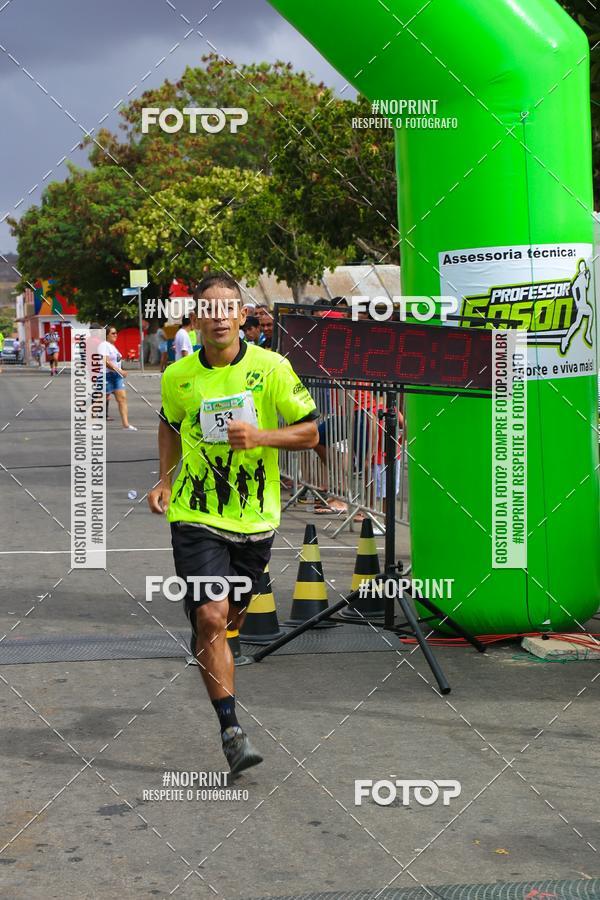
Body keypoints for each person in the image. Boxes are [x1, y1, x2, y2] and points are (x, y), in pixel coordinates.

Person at [148, 271, 319, 776]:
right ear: (197, 318)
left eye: (229, 308)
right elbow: (168, 422)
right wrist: (163, 479)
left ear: (242, 317)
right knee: (210, 617)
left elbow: (311, 433)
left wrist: (262, 437)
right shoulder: (178, 376)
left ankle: (212, 635)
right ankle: (231, 729)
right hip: (195, 515)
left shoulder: (272, 368)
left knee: (227, 620)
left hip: (255, 520)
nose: (219, 317)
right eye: (209, 308)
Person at [98, 327, 137, 431]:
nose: (116, 335)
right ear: (106, 335)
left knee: (122, 399)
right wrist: (120, 371)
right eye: (113, 333)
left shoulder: (112, 346)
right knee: (99, 400)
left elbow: (115, 361)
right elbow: (105, 362)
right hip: (106, 375)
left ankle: (126, 424)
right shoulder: (104, 345)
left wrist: (120, 371)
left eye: (116, 333)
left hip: (116, 376)